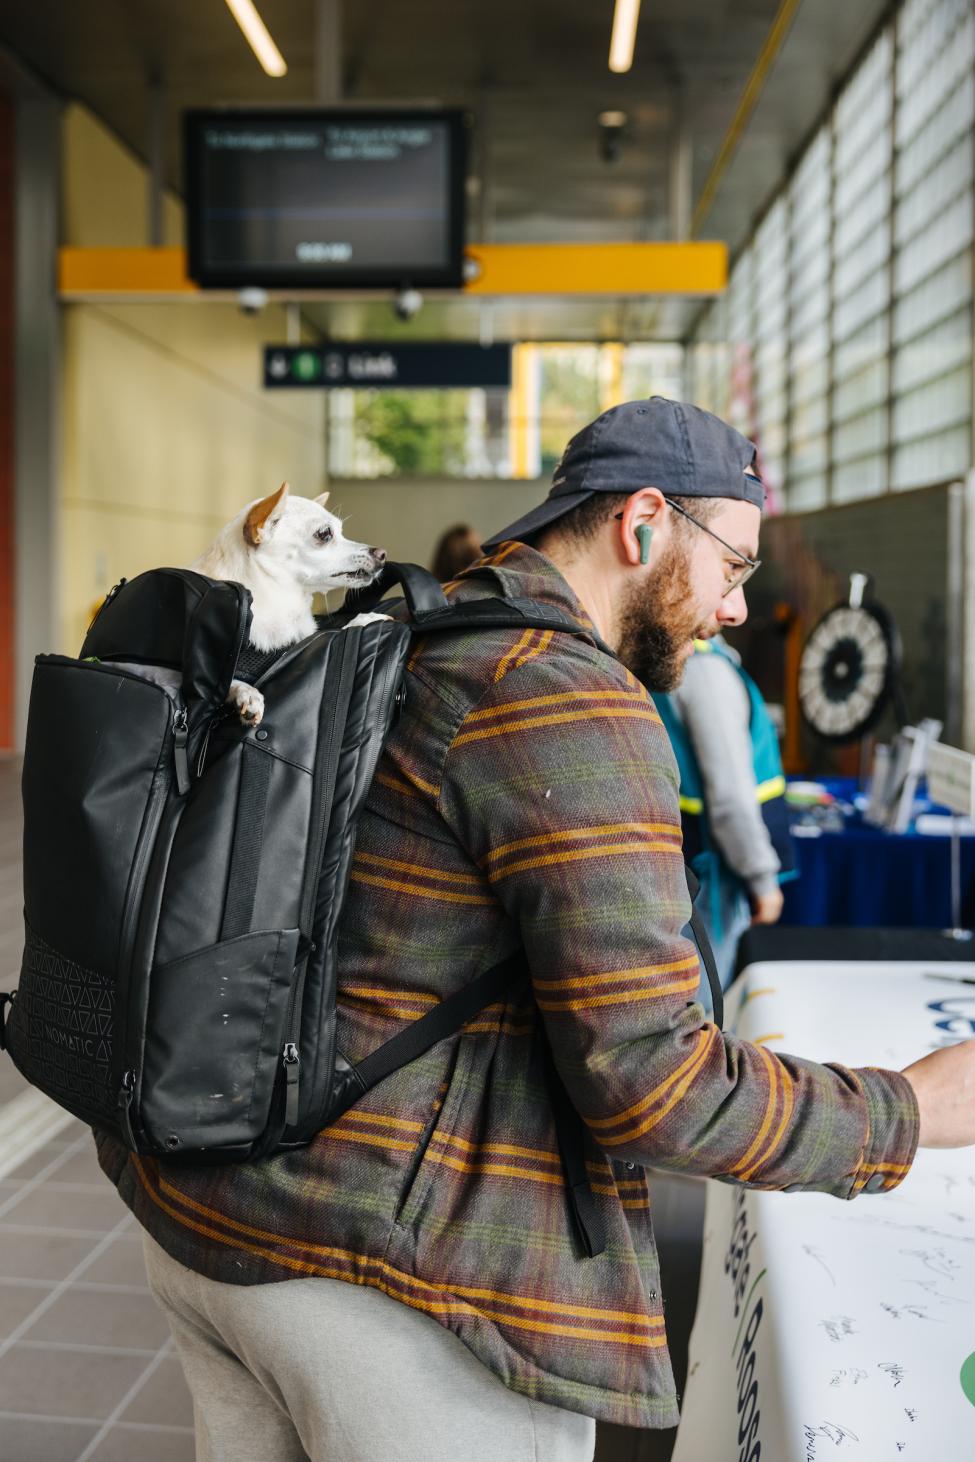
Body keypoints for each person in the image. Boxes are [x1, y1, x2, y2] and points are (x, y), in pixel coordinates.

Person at [96, 397, 975, 1462]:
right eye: (734, 569)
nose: (738, 610)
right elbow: (655, 1086)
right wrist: (909, 1110)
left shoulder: (419, 623)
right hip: (379, 1288)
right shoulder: (566, 701)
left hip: (205, 1214)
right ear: (643, 522)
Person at [652, 632, 796, 993]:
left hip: (689, 867)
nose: (739, 611)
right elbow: (730, 798)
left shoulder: (673, 659)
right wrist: (763, 879)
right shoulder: (706, 671)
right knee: (704, 998)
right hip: (712, 876)